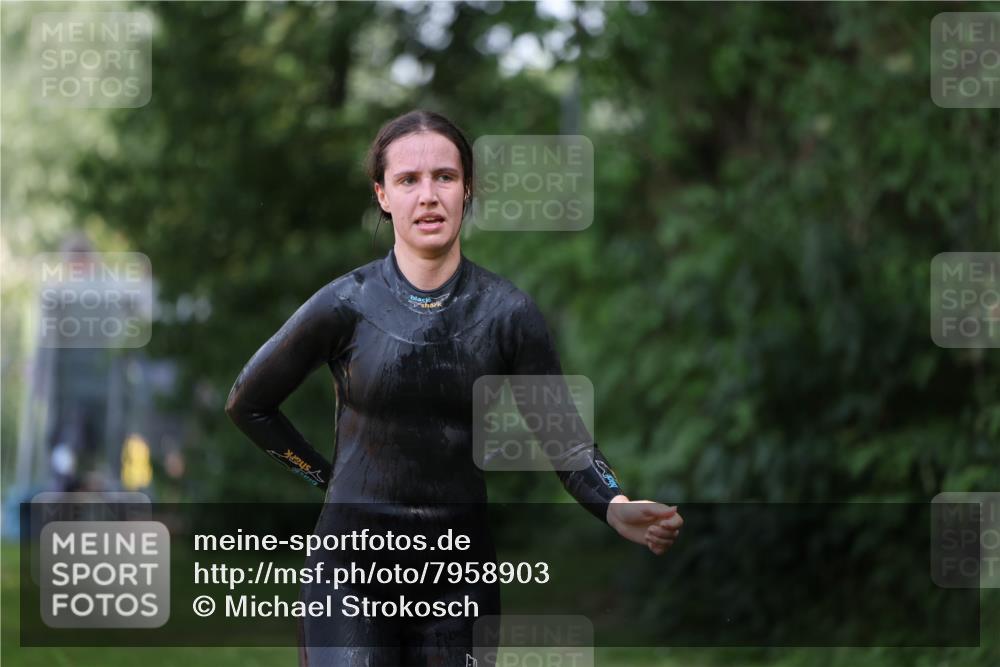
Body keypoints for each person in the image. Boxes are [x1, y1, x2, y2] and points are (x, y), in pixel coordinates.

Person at [225, 109, 684, 667]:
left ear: (467, 191)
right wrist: (324, 474)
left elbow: (564, 439)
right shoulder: (346, 304)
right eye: (408, 180)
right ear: (382, 196)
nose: (428, 195)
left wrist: (612, 502)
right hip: (348, 575)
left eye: (444, 177)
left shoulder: (507, 313)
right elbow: (249, 405)